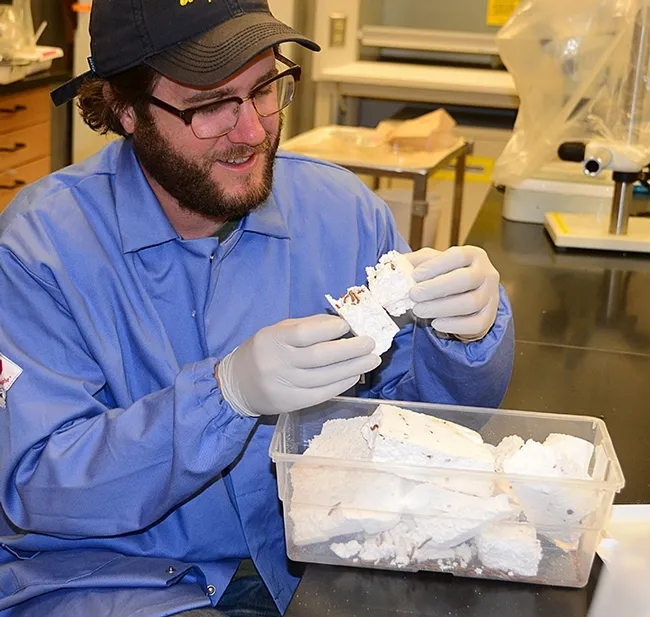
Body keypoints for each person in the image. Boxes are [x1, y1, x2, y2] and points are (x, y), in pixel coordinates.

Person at [0, 1, 514, 615]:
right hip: (118, 580)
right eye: (210, 104)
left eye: (265, 86)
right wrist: (223, 398)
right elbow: (38, 483)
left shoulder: (342, 211)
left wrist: (466, 341)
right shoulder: (39, 250)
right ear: (125, 108)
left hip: (320, 556)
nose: (250, 131)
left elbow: (425, 429)